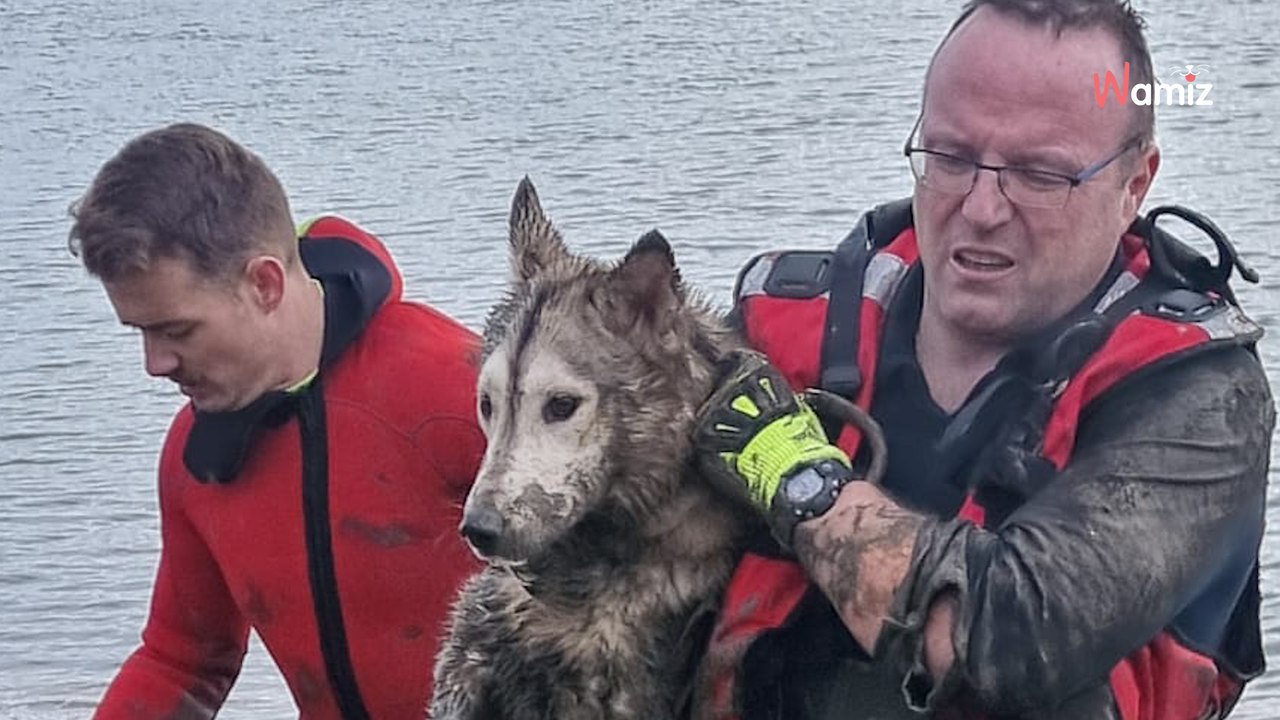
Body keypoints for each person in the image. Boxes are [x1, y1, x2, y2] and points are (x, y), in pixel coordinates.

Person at [691, 1, 1273, 718]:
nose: (982, 208)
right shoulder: (783, 326)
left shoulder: (1201, 398)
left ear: (1134, 187)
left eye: (1039, 175)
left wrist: (798, 480)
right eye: (953, 157)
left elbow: (1013, 641)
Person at [69, 123, 485, 719]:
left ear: (263, 283)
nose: (154, 365)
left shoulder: (458, 389)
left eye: (177, 330)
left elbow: (641, 588)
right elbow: (182, 660)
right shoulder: (195, 458)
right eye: (141, 333)